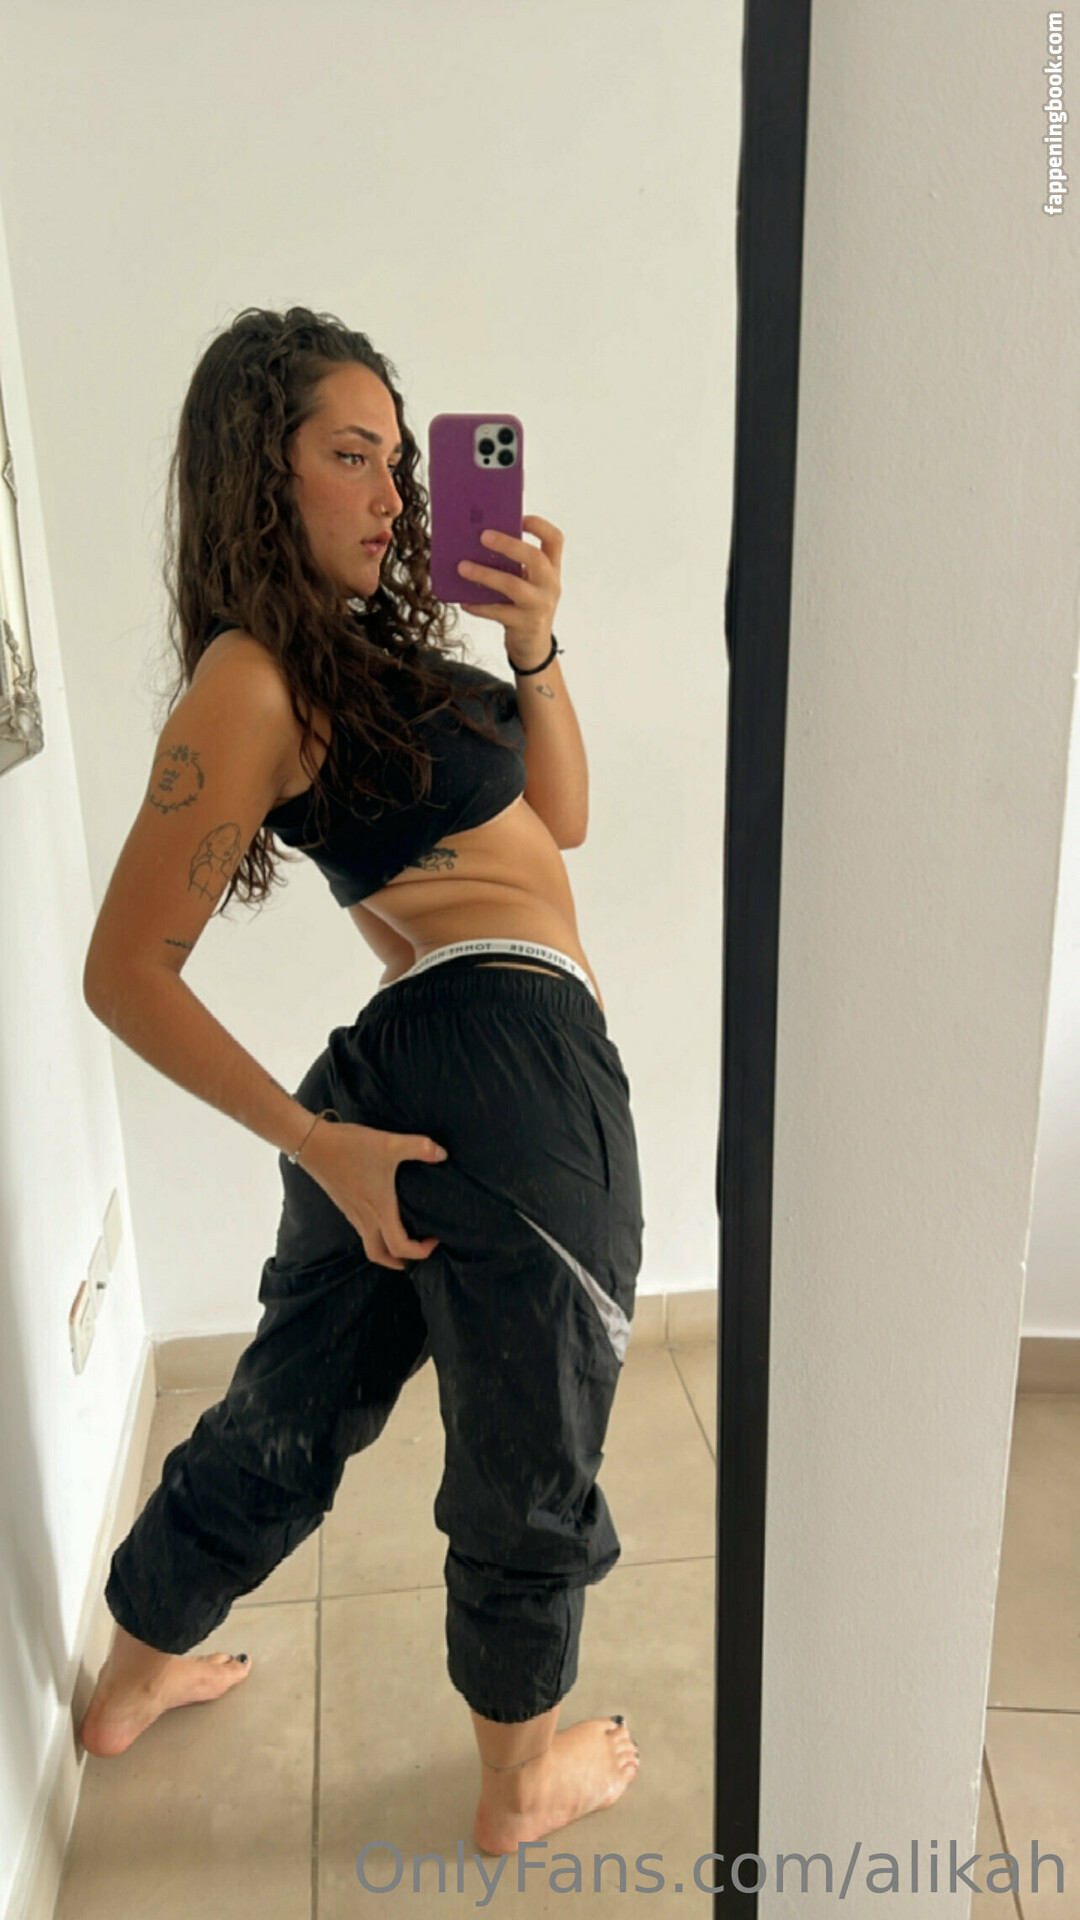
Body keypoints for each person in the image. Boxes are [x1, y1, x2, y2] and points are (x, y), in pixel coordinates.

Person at [77, 306, 644, 1856]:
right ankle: (518, 1783)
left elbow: (563, 816)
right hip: (509, 1070)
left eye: (399, 459)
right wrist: (315, 1141)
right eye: (351, 456)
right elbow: (124, 972)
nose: (394, 493)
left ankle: (132, 1681)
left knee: (297, 1398)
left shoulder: (357, 660)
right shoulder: (257, 676)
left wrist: (533, 646)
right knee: (534, 1434)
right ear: (261, 473)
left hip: (422, 1060)